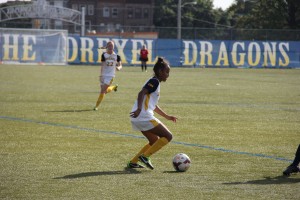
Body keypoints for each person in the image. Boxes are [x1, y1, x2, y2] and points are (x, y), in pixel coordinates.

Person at [127, 57, 177, 169]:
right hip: (143, 116)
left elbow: (153, 106)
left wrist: (167, 116)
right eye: (166, 72)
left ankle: (133, 162)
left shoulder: (154, 82)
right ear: (160, 72)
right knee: (168, 136)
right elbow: (141, 93)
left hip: (138, 117)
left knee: (154, 140)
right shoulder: (154, 81)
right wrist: (139, 109)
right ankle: (145, 156)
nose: (168, 75)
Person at [94, 41, 122, 111]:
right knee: (104, 91)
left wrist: (119, 68)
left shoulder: (117, 56)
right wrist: (101, 75)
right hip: (103, 75)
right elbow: (102, 65)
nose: (110, 47)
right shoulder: (104, 55)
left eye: (111, 45)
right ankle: (114, 87)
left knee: (102, 91)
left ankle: (96, 106)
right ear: (107, 46)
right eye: (109, 45)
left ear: (113, 47)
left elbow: (120, 65)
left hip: (111, 75)